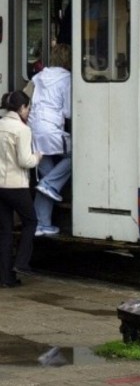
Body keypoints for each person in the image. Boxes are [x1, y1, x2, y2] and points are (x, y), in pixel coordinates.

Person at [29, 43, 72, 237]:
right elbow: (69, 111)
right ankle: (50, 185)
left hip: (33, 131)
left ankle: (42, 224)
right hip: (51, 130)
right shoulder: (67, 79)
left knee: (46, 177)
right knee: (77, 154)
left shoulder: (38, 77)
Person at [0, 90, 41, 286]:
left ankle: (6, 278)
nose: (28, 112)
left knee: (4, 231)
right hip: (16, 185)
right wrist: (38, 157)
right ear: (21, 108)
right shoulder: (22, 129)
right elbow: (25, 161)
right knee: (31, 222)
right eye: (28, 108)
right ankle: (22, 262)